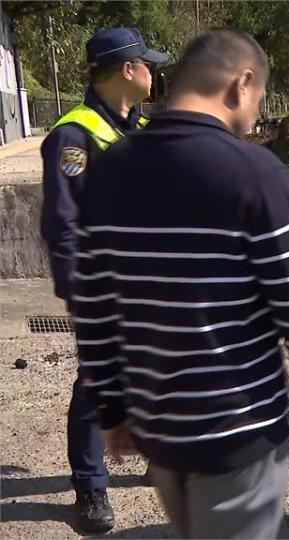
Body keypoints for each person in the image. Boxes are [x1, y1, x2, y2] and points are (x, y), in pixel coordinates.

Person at [72, 30, 289, 538]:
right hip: (237, 434)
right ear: (241, 83)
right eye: (260, 98)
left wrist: (112, 404)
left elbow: (94, 309)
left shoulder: (109, 170)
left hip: (158, 428)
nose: (255, 115)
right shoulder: (255, 173)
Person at [38, 27, 167, 534]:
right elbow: (62, 225)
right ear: (127, 70)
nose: (154, 72)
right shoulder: (75, 136)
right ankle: (91, 486)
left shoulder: (137, 125)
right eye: (148, 64)